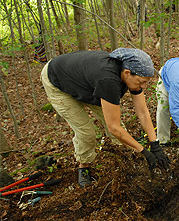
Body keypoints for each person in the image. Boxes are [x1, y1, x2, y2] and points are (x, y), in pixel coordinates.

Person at [40, 48, 169, 187]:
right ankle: (83, 166)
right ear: (127, 73)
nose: (143, 86)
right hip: (57, 81)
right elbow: (114, 128)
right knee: (87, 132)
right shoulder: (108, 81)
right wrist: (143, 150)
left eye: (145, 82)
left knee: (119, 129)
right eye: (141, 82)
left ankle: (126, 160)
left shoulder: (130, 74)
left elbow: (143, 112)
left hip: (87, 82)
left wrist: (154, 144)